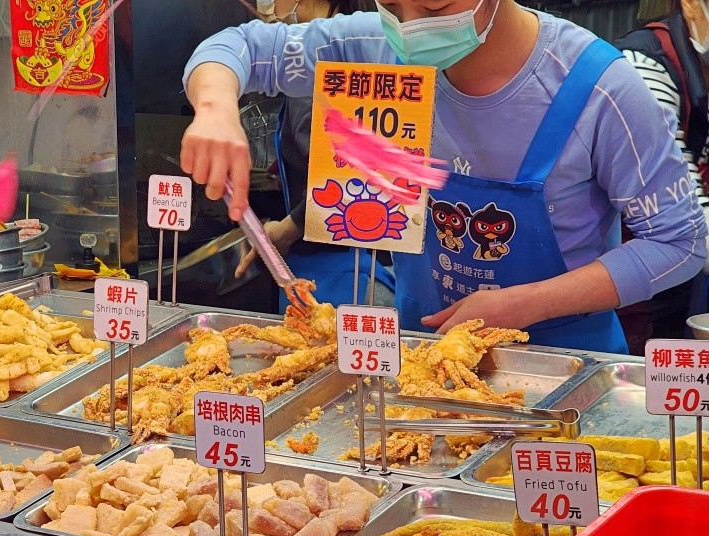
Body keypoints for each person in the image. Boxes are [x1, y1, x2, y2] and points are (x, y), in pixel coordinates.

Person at [181, 0, 709, 353]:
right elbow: (237, 48)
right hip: (417, 355)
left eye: (435, 6)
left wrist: (521, 305)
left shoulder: (600, 86)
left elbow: (681, 241)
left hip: (563, 364)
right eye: (393, 3)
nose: (410, 23)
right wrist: (214, 106)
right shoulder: (374, 49)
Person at [243, 0, 380, 306]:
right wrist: (292, 161)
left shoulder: (330, 68)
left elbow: (353, 175)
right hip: (330, 255)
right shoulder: (337, 52)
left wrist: (287, 230)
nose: (263, 5)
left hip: (346, 265)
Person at [616, 0, 709, 351]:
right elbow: (681, 201)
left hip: (685, 281)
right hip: (633, 283)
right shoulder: (643, 64)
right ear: (691, 6)